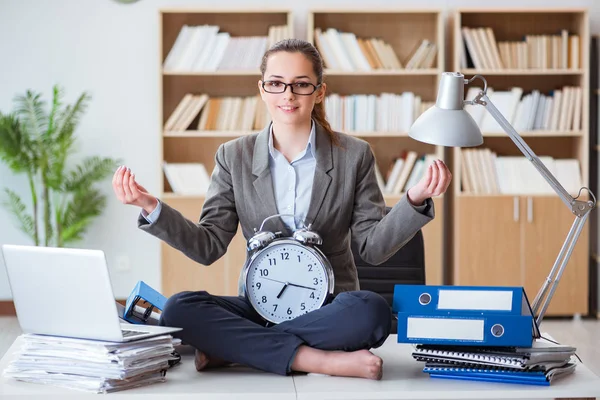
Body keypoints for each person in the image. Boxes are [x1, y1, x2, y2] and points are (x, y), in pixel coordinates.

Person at [112, 39, 451, 380]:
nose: (287, 95)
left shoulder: (354, 155)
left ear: (318, 92)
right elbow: (208, 246)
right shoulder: (233, 156)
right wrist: (150, 206)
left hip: (330, 308)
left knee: (372, 311)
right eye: (276, 83)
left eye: (301, 84)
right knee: (179, 309)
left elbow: (372, 249)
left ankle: (234, 348)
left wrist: (414, 200)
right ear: (262, 89)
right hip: (258, 306)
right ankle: (317, 359)